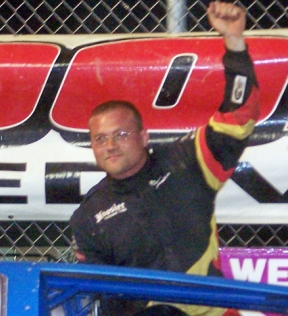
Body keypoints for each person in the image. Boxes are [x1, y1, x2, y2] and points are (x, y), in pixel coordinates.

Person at [69, 2, 260, 315]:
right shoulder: (88, 217)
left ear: (144, 137)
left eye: (121, 134)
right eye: (100, 139)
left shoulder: (190, 159)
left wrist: (235, 44)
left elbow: (239, 114)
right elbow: (103, 300)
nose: (110, 146)